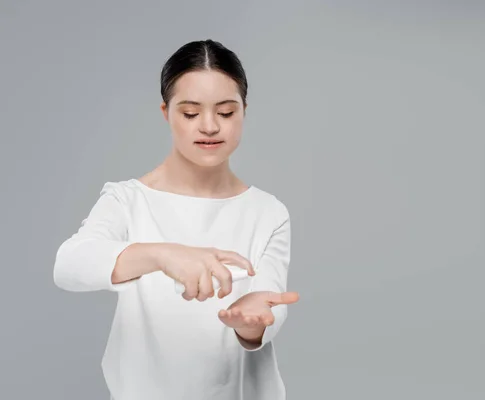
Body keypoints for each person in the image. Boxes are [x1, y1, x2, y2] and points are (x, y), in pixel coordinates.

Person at [53, 39, 300, 400]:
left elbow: (268, 309)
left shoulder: (268, 212)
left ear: (244, 111)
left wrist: (251, 325)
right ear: (165, 112)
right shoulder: (128, 200)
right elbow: (69, 266)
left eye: (227, 112)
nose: (210, 126)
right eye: (190, 113)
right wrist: (163, 254)